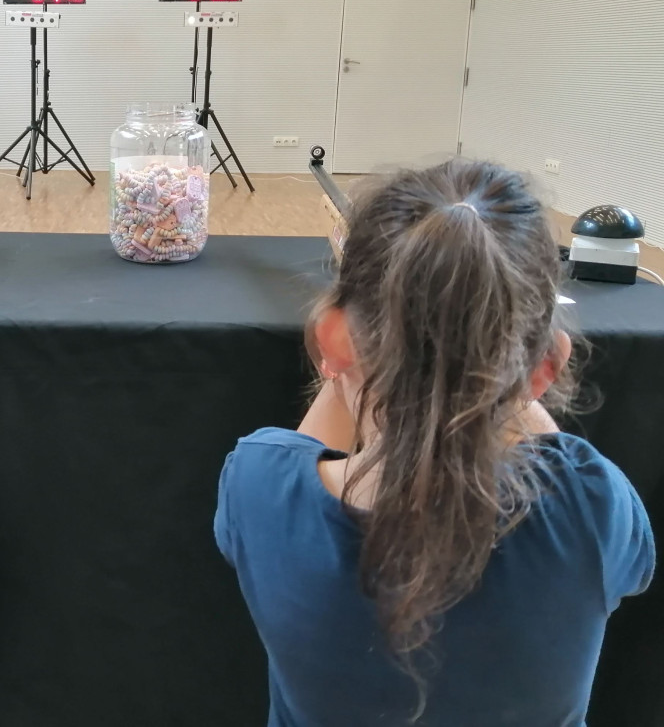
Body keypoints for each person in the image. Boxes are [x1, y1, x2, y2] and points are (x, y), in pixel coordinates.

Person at [215, 160, 654, 726]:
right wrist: (499, 370)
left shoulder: (257, 484)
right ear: (547, 366)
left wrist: (349, 353)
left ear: (334, 339)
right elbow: (559, 470)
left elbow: (299, 469)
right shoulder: (591, 505)